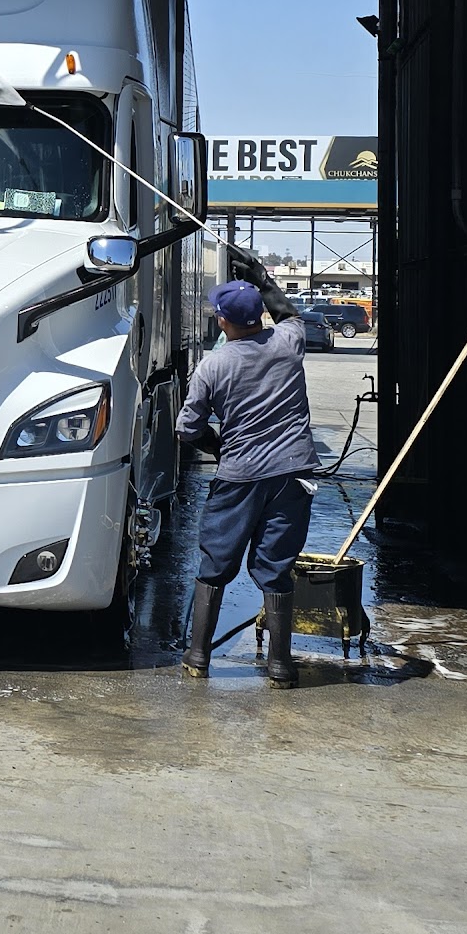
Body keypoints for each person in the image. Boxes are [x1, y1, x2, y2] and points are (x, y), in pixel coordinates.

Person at [174, 278, 319, 687]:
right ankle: (280, 667)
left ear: (222, 322)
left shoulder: (214, 365)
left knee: (216, 562)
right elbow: (290, 314)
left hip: (239, 476)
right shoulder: (288, 342)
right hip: (293, 473)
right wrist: (262, 277)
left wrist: (218, 446)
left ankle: (199, 655)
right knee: (276, 566)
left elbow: (187, 429)